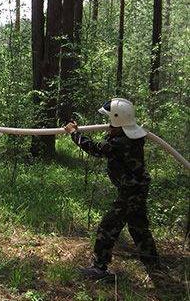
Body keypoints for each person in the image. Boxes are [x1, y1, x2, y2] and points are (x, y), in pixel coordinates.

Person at [64, 98, 159, 279]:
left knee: (108, 227)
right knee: (138, 227)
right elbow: (112, 140)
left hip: (130, 192)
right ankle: (153, 264)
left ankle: (100, 268)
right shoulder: (130, 136)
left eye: (109, 120)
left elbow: (96, 148)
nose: (107, 124)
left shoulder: (120, 142)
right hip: (137, 189)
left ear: (117, 120)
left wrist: (74, 134)